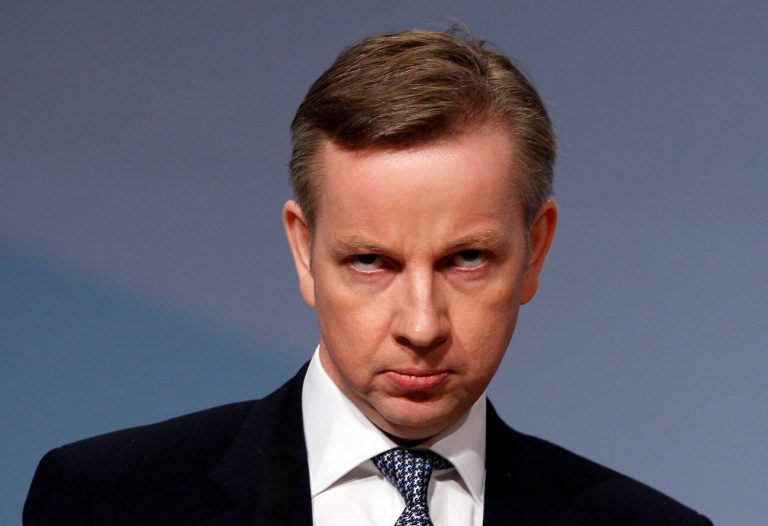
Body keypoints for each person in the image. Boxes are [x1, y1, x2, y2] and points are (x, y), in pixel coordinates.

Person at [24, 28, 712, 525]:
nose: (421, 325)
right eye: (371, 262)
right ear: (303, 250)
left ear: (535, 251)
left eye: (466, 259)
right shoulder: (108, 502)